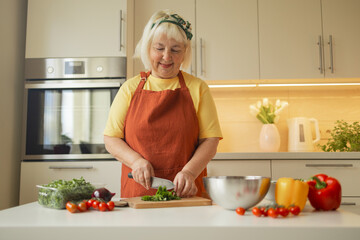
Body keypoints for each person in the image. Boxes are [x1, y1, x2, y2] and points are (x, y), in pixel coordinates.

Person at [103, 10, 222, 198]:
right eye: (159, 48)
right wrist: (135, 162)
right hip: (138, 194)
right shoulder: (129, 89)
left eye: (175, 50)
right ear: (148, 49)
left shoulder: (198, 88)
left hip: (187, 192)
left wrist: (189, 172)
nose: (167, 57)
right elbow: (111, 139)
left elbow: (210, 140)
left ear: (184, 54)